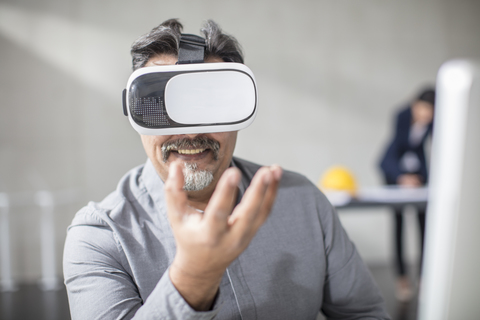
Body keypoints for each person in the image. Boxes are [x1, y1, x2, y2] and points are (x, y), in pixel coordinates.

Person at [63, 19, 390, 319]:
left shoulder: (304, 203)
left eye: (210, 105)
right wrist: (194, 277)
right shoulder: (99, 237)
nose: (190, 133)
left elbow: (364, 314)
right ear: (136, 113)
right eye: (163, 106)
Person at [379, 88, 435, 301]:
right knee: (399, 223)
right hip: (395, 171)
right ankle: (401, 278)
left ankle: (424, 276)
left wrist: (419, 177)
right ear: (414, 105)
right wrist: (402, 177)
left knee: (424, 224)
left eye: (430, 112)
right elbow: (395, 150)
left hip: (418, 173)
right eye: (423, 110)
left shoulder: (434, 120)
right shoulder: (402, 115)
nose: (426, 115)